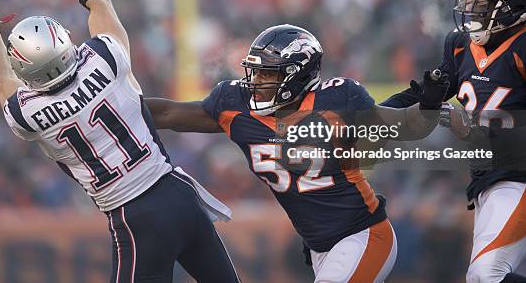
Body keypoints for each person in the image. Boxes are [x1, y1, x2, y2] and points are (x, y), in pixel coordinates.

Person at [0, 0, 240, 283]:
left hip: (135, 216)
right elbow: (97, 1)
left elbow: (3, 79)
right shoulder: (105, 59)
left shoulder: (29, 114)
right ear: (62, 40)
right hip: (178, 192)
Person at [145, 24, 449, 283]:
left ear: (297, 75)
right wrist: (114, 102)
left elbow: (409, 126)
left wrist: (430, 104)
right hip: (319, 248)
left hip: (364, 235)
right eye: (255, 73)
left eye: (267, 75)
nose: (256, 84)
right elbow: (169, 113)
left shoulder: (338, 102)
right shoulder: (235, 106)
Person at [382, 0, 526, 283]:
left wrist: (479, 132)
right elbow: (426, 94)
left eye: (482, 3)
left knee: (485, 275)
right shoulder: (461, 45)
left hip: (518, 176)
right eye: (471, 1)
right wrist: (372, 115)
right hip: (490, 179)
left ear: (512, 4)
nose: (472, 10)